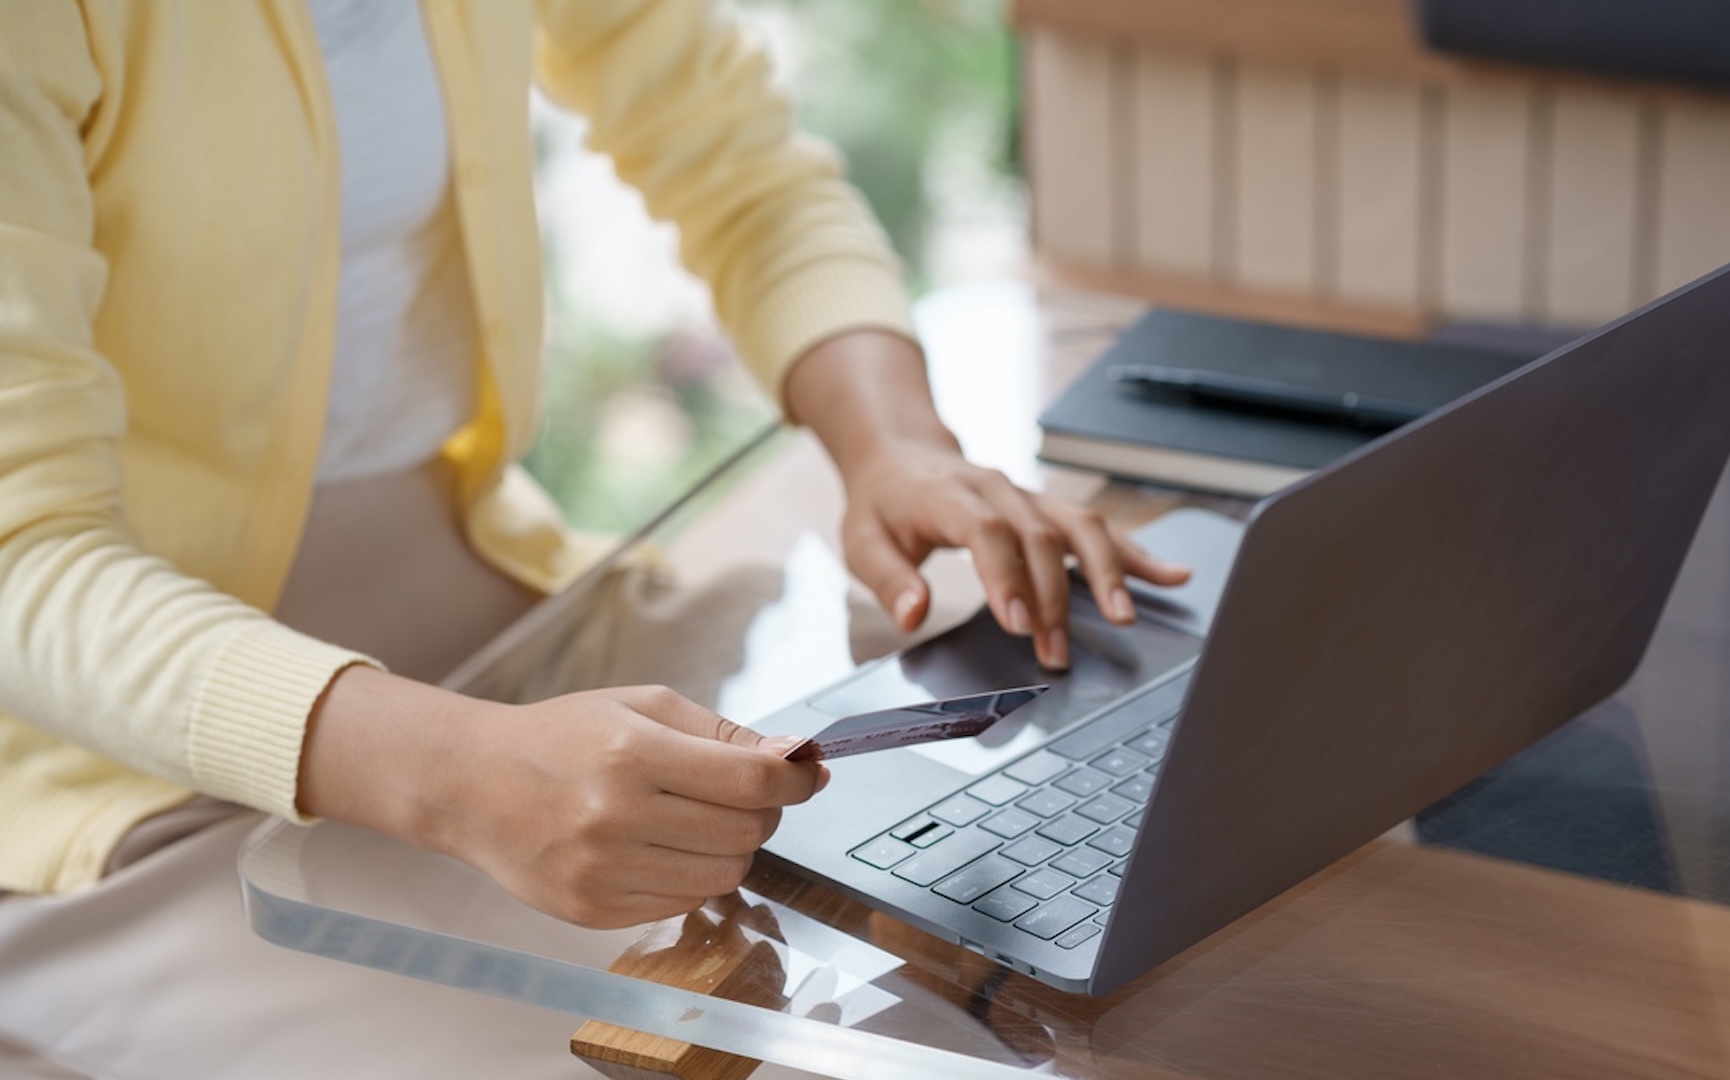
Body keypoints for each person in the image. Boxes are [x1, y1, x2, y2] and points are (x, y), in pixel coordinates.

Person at [0, 1, 1186, 1074]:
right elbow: (22, 560)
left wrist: (896, 443)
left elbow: (740, 162)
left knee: (1028, 888)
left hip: (516, 610)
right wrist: (453, 776)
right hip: (122, 775)